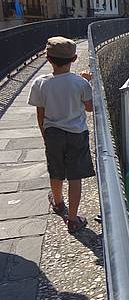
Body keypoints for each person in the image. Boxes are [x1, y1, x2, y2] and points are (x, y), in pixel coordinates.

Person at [29, 37, 93, 234]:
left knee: (55, 171)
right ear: (74, 58)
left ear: (48, 59)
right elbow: (89, 108)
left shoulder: (40, 83)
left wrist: (44, 134)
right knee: (75, 177)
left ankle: (57, 203)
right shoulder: (80, 83)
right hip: (76, 134)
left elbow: (40, 112)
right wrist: (87, 81)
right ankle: (73, 220)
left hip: (53, 134)